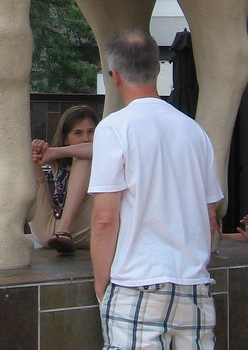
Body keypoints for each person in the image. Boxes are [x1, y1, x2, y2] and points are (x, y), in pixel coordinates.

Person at [89, 29, 222, 349]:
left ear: (114, 75)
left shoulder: (114, 128)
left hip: (136, 285)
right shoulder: (195, 131)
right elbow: (211, 218)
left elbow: (105, 220)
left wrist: (101, 285)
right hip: (195, 287)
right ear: (157, 68)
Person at [28, 104, 98, 253]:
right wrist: (36, 149)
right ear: (65, 139)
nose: (86, 138)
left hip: (84, 231)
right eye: (78, 133)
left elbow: (98, 149)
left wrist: (56, 152)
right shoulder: (59, 160)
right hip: (50, 232)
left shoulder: (102, 154)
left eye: (91, 132)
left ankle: (65, 227)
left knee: (83, 158)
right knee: (30, 159)